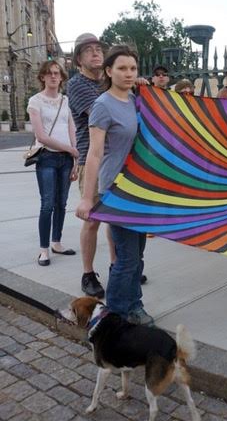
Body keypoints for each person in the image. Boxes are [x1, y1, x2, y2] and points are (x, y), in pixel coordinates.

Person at [76, 45, 154, 326]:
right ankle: (120, 314)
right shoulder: (102, 105)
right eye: (122, 68)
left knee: (137, 254)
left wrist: (145, 88)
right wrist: (87, 198)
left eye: (133, 68)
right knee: (126, 256)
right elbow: (94, 154)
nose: (129, 73)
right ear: (108, 71)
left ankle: (133, 304)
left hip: (139, 188)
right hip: (116, 189)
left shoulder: (135, 99)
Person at [68, 33, 111, 298]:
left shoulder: (109, 82)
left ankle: (118, 266)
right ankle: (87, 272)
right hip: (91, 160)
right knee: (93, 220)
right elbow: (104, 114)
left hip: (116, 159)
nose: (95, 53)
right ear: (78, 59)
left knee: (116, 219)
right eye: (88, 50)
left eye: (98, 49)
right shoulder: (77, 84)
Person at [28, 60, 79, 266]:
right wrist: (69, 149)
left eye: (57, 73)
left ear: (61, 77)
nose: (53, 76)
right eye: (49, 73)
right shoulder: (35, 101)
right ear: (42, 77)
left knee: (62, 203)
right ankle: (43, 249)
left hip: (66, 159)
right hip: (47, 157)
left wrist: (75, 159)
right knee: (47, 204)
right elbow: (41, 135)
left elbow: (71, 129)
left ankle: (56, 242)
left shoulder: (65, 100)